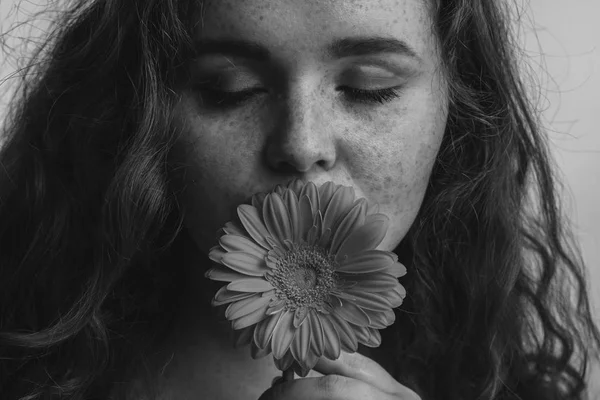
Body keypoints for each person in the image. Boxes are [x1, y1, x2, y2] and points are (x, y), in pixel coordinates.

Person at [1, 0, 599, 399]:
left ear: (460, 107)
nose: (303, 144)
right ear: (137, 108)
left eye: (370, 90)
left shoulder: (506, 377)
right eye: (230, 89)